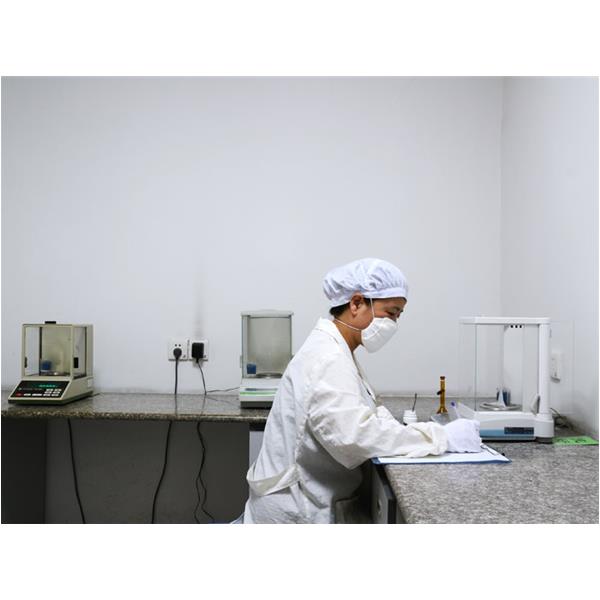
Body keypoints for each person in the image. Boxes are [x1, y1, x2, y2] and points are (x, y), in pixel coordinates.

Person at [242, 257, 481, 524]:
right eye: (391, 312)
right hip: (297, 510)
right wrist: (440, 437)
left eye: (398, 315)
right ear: (356, 303)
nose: (394, 324)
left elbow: (365, 414)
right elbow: (355, 436)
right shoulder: (328, 358)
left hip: (305, 498)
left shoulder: (336, 348)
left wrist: (412, 431)